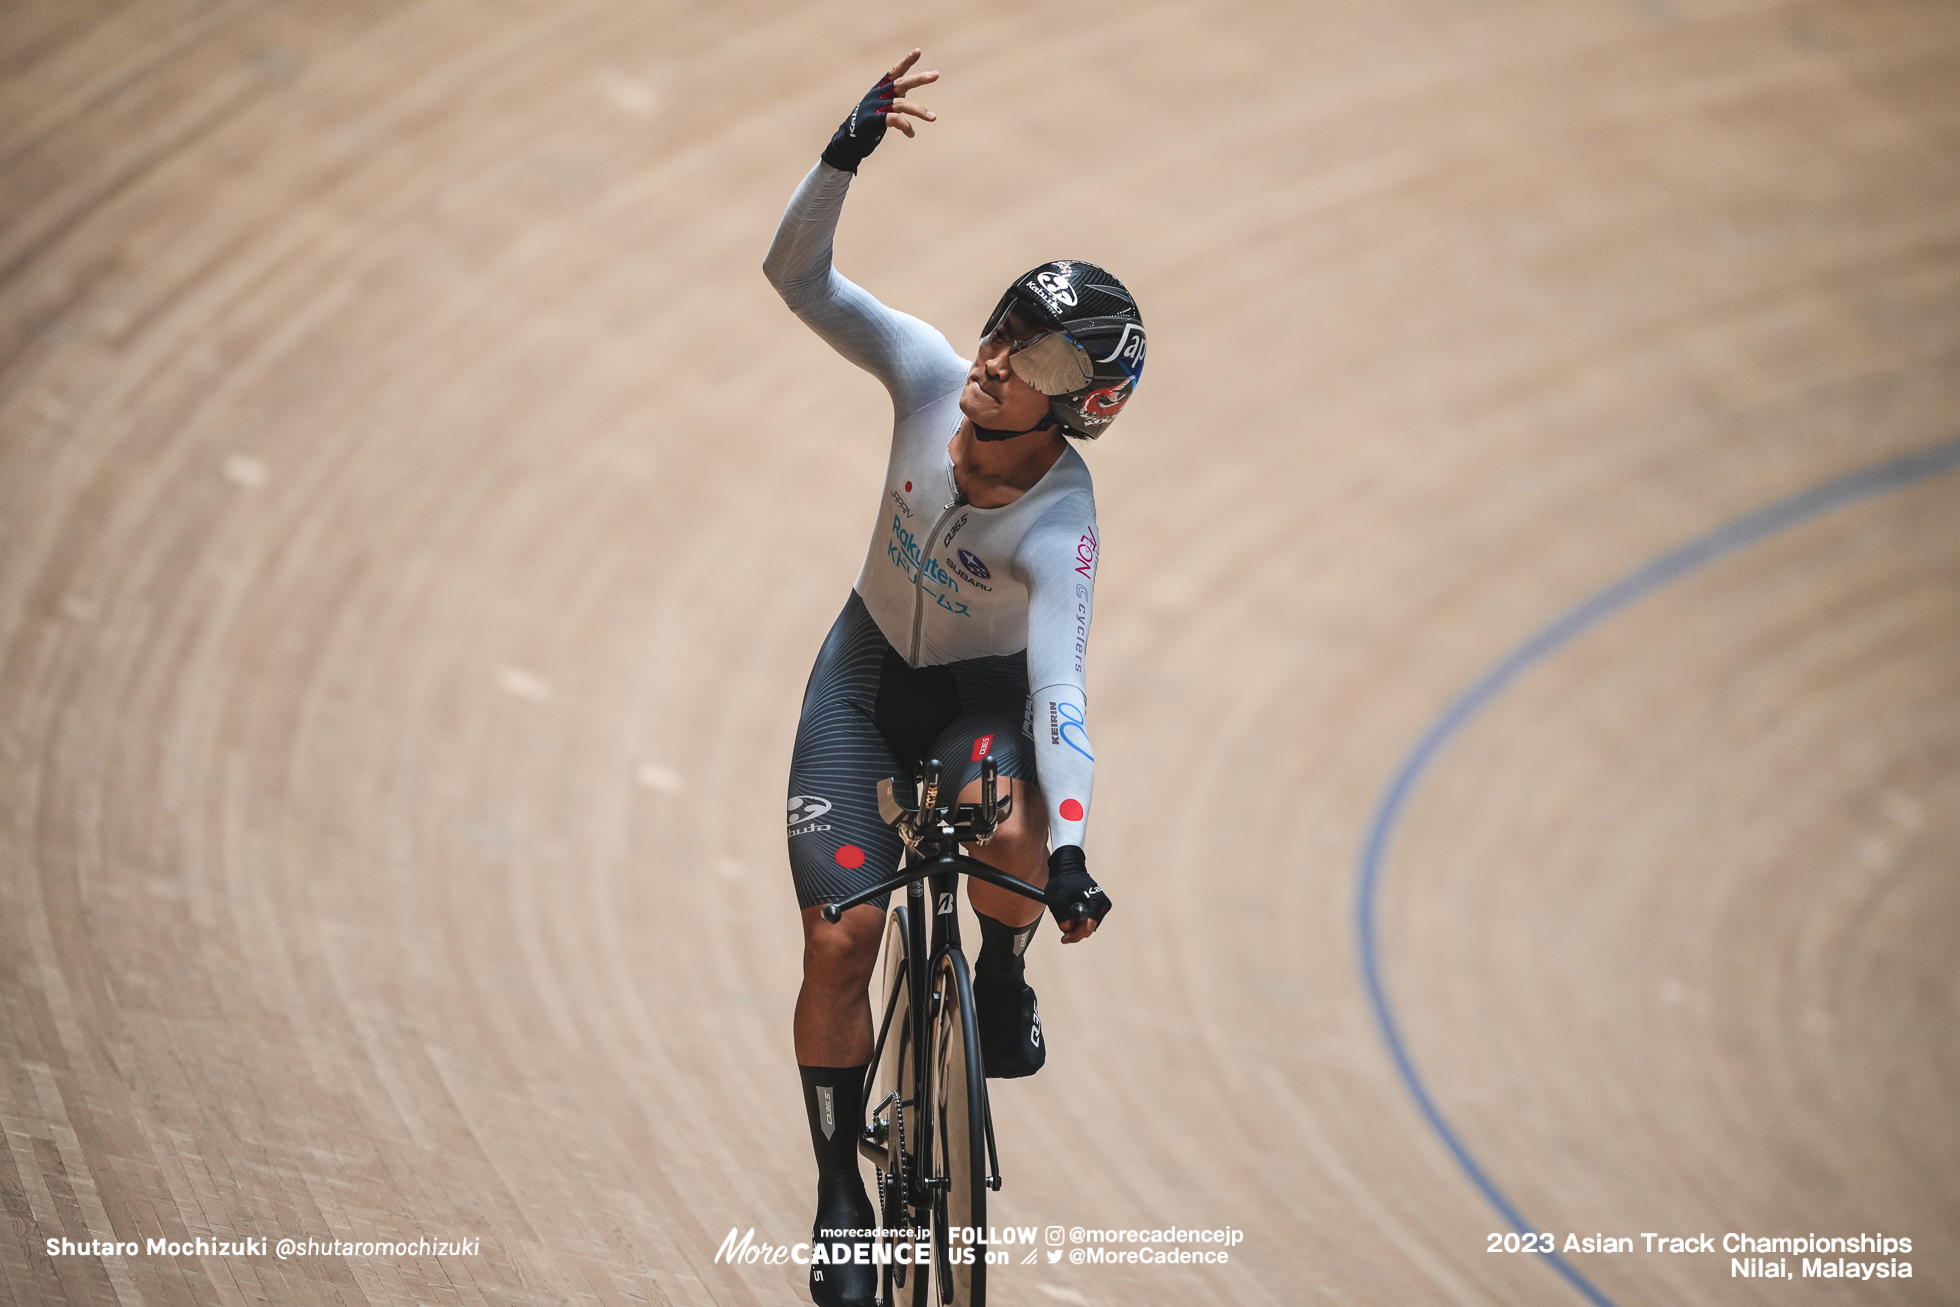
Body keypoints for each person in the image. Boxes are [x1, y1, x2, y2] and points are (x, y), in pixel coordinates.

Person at [764, 49, 1144, 1307]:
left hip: (979, 703)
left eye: (1034, 362)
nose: (995, 359)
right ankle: (837, 1190)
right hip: (868, 676)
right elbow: (796, 278)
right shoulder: (925, 372)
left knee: (1017, 818)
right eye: (1005, 328)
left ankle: (1002, 972)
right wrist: (841, 154)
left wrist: (1076, 851)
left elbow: (1059, 696)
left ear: (1079, 408)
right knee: (842, 939)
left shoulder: (1059, 522)